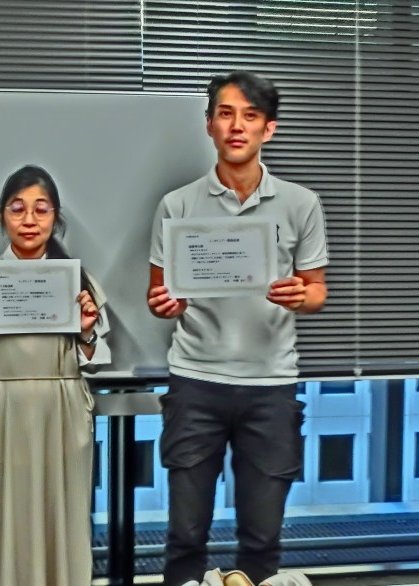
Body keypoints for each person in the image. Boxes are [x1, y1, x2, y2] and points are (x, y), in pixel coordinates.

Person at [146, 71, 329, 586]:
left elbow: (317, 289)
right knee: (185, 535)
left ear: (268, 129)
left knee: (263, 538)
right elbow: (158, 294)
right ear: (209, 125)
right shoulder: (177, 204)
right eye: (225, 114)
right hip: (195, 382)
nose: (237, 126)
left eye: (250, 116)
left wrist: (302, 295)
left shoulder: (301, 203)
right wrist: (165, 304)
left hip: (271, 385)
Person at [0, 164, 111, 586]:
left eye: (41, 209)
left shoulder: (79, 280)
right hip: (0, 409)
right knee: (0, 518)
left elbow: (95, 359)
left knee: (63, 518)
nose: (29, 220)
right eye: (17, 209)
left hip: (62, 409)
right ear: (2, 216)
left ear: (56, 217)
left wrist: (86, 330)